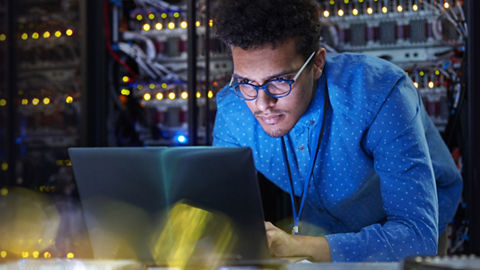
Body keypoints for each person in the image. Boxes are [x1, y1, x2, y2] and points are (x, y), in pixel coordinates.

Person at [211, 0, 463, 262]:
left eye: (279, 82)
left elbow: (417, 238)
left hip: (408, 227)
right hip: (320, 223)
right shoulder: (233, 110)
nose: (261, 104)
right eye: (246, 83)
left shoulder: (379, 93)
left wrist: (301, 247)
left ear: (317, 63)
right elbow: (221, 213)